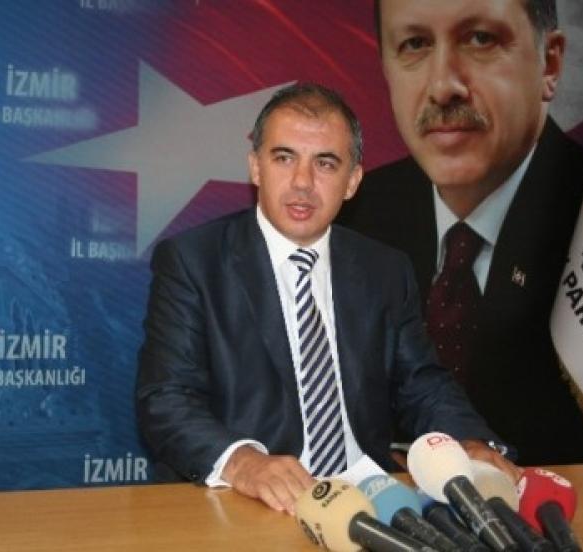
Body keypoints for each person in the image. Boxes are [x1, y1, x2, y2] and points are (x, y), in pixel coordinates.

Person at [136, 83, 516, 514]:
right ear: (256, 167)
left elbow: (421, 382)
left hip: (371, 498)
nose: (302, 182)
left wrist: (469, 440)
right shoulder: (193, 261)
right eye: (284, 158)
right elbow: (166, 397)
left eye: (325, 163)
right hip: (250, 504)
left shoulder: (385, 269)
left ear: (352, 181)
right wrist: (243, 463)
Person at [336, 0, 583, 465]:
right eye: (415, 44)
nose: (443, 87)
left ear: (550, 63)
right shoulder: (353, 219)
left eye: (481, 39)